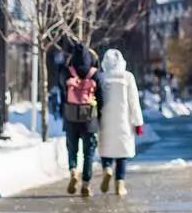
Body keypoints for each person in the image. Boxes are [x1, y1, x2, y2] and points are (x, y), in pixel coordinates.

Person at [97, 48, 144, 196]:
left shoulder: (101, 77)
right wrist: (138, 122)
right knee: (121, 153)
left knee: (106, 149)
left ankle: (107, 169)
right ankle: (119, 185)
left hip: (104, 120)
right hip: (124, 120)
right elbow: (134, 101)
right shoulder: (128, 77)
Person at [61, 42, 103, 197]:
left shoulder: (67, 72)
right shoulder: (94, 74)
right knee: (88, 153)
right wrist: (99, 117)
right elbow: (101, 97)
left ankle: (73, 170)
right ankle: (86, 183)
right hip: (89, 118)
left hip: (71, 117)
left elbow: (62, 92)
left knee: (72, 149)